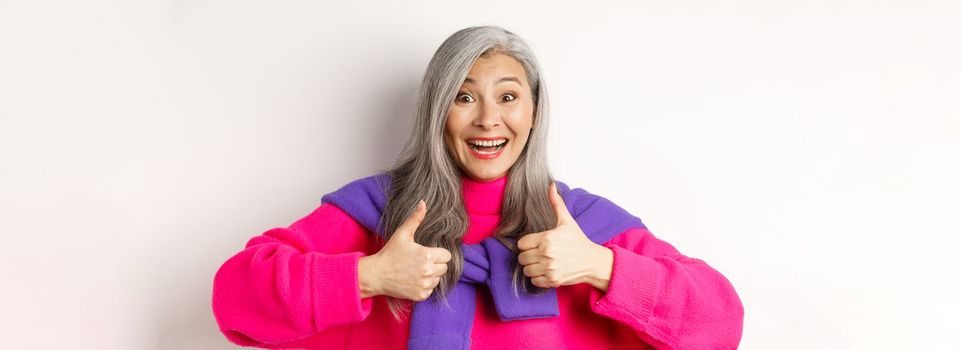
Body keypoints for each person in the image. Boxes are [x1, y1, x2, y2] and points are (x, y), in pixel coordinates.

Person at [211, 25, 744, 349]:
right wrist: (369, 275)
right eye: (464, 97)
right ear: (437, 112)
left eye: (508, 97)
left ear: (534, 112)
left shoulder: (580, 225)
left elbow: (721, 323)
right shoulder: (377, 211)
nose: (488, 119)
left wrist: (601, 267)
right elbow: (234, 296)